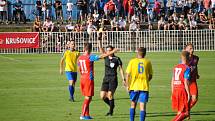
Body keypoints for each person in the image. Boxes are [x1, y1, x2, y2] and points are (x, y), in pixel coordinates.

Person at [78, 42, 118, 120]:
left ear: (84, 48)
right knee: (88, 98)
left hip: (82, 78)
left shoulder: (80, 58)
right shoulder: (89, 57)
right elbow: (102, 56)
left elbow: (79, 68)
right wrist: (112, 52)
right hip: (88, 79)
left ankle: (87, 115)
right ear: (90, 49)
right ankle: (82, 115)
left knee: (88, 97)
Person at [125, 47, 153, 121]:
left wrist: (127, 85)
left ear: (137, 53)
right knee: (142, 106)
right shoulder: (147, 62)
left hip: (134, 87)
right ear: (145, 53)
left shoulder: (132, 61)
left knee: (133, 105)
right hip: (144, 87)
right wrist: (146, 81)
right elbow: (150, 76)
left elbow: (127, 74)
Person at [98, 41, 126, 116]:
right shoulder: (105, 57)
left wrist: (123, 79)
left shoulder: (117, 59)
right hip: (106, 79)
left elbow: (120, 69)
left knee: (110, 95)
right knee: (102, 96)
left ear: (113, 50)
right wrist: (99, 40)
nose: (108, 51)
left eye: (110, 50)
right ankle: (112, 105)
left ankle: (110, 112)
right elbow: (100, 48)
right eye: (107, 50)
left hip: (113, 79)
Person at [171, 51, 191, 121]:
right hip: (181, 90)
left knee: (180, 110)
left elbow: (172, 80)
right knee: (185, 112)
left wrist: (172, 92)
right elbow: (186, 81)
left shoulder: (176, 67)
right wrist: (188, 93)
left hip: (175, 89)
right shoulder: (187, 68)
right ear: (188, 58)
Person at [185, 43, 200, 110]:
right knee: (186, 99)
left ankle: (186, 110)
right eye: (190, 48)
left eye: (192, 48)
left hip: (193, 81)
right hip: (186, 82)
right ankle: (183, 112)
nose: (192, 50)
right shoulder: (184, 60)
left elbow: (195, 66)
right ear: (186, 50)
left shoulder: (196, 58)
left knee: (194, 99)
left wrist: (196, 74)